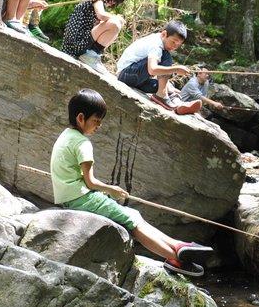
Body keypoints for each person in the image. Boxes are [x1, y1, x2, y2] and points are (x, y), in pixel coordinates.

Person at [50, 88, 214, 276]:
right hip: (81, 198)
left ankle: (177, 245)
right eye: (96, 120)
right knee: (132, 221)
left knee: (133, 214)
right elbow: (90, 182)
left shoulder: (65, 135)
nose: (99, 126)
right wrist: (113, 190)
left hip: (70, 198)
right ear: (81, 118)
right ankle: (174, 258)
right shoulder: (82, 143)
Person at [116, 21, 201, 115]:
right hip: (126, 74)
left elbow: (158, 75)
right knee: (166, 57)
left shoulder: (160, 43)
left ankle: (178, 105)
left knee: (160, 86)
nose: (174, 47)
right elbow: (152, 69)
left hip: (136, 79)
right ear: (164, 34)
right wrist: (176, 69)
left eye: (178, 45)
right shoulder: (156, 44)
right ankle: (161, 96)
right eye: (173, 42)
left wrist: (170, 88)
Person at [62, 0, 127, 71]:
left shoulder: (92, 1)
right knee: (115, 23)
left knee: (115, 24)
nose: (113, 5)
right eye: (114, 1)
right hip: (77, 44)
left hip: (76, 45)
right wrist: (117, 18)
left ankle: (93, 54)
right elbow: (102, 15)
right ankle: (90, 56)